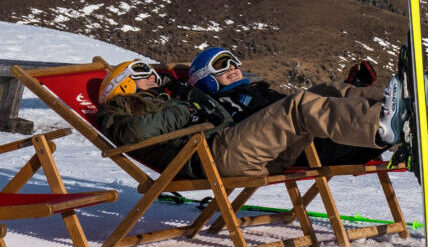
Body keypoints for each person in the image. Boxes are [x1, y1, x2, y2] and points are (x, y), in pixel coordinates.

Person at [98, 51, 410, 178]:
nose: (151, 74)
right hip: (212, 153)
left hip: (231, 145)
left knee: (326, 92)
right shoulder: (118, 109)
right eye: (140, 72)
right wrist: (188, 108)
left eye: (234, 63)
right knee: (299, 106)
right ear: (121, 84)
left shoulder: (169, 96)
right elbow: (133, 135)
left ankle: (412, 116)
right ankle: (383, 127)